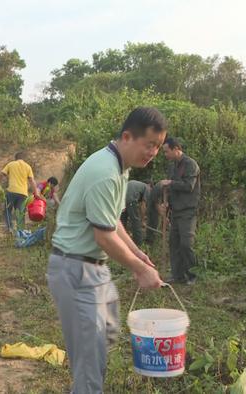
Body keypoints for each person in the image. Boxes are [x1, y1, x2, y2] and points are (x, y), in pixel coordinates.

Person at [47, 107, 165, 393]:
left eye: (158, 147)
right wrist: (141, 270)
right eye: (149, 145)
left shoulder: (118, 167)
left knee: (104, 336)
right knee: (90, 363)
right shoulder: (106, 173)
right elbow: (103, 236)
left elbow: (111, 221)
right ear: (127, 136)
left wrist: (136, 253)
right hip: (76, 269)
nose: (153, 153)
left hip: (92, 270)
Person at [159, 137, 200, 285]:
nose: (165, 155)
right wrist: (166, 205)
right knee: (174, 243)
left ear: (176, 149)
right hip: (175, 211)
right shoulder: (172, 167)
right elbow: (171, 189)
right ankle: (178, 276)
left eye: (166, 151)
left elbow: (188, 186)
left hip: (187, 211)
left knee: (186, 244)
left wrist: (171, 182)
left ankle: (192, 275)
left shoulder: (190, 164)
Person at [1, 151, 42, 231]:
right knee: (20, 213)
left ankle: (9, 228)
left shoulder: (11, 164)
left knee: (7, 210)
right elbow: (32, 180)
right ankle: (20, 230)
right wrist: (36, 193)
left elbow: (2, 174)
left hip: (11, 191)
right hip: (23, 194)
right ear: (24, 159)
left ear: (15, 158)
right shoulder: (28, 167)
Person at [121, 180, 151, 246]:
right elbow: (143, 206)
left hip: (121, 199)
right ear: (150, 185)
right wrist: (142, 220)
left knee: (122, 222)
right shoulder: (147, 188)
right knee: (136, 223)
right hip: (130, 199)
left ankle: (120, 242)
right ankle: (138, 244)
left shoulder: (138, 184)